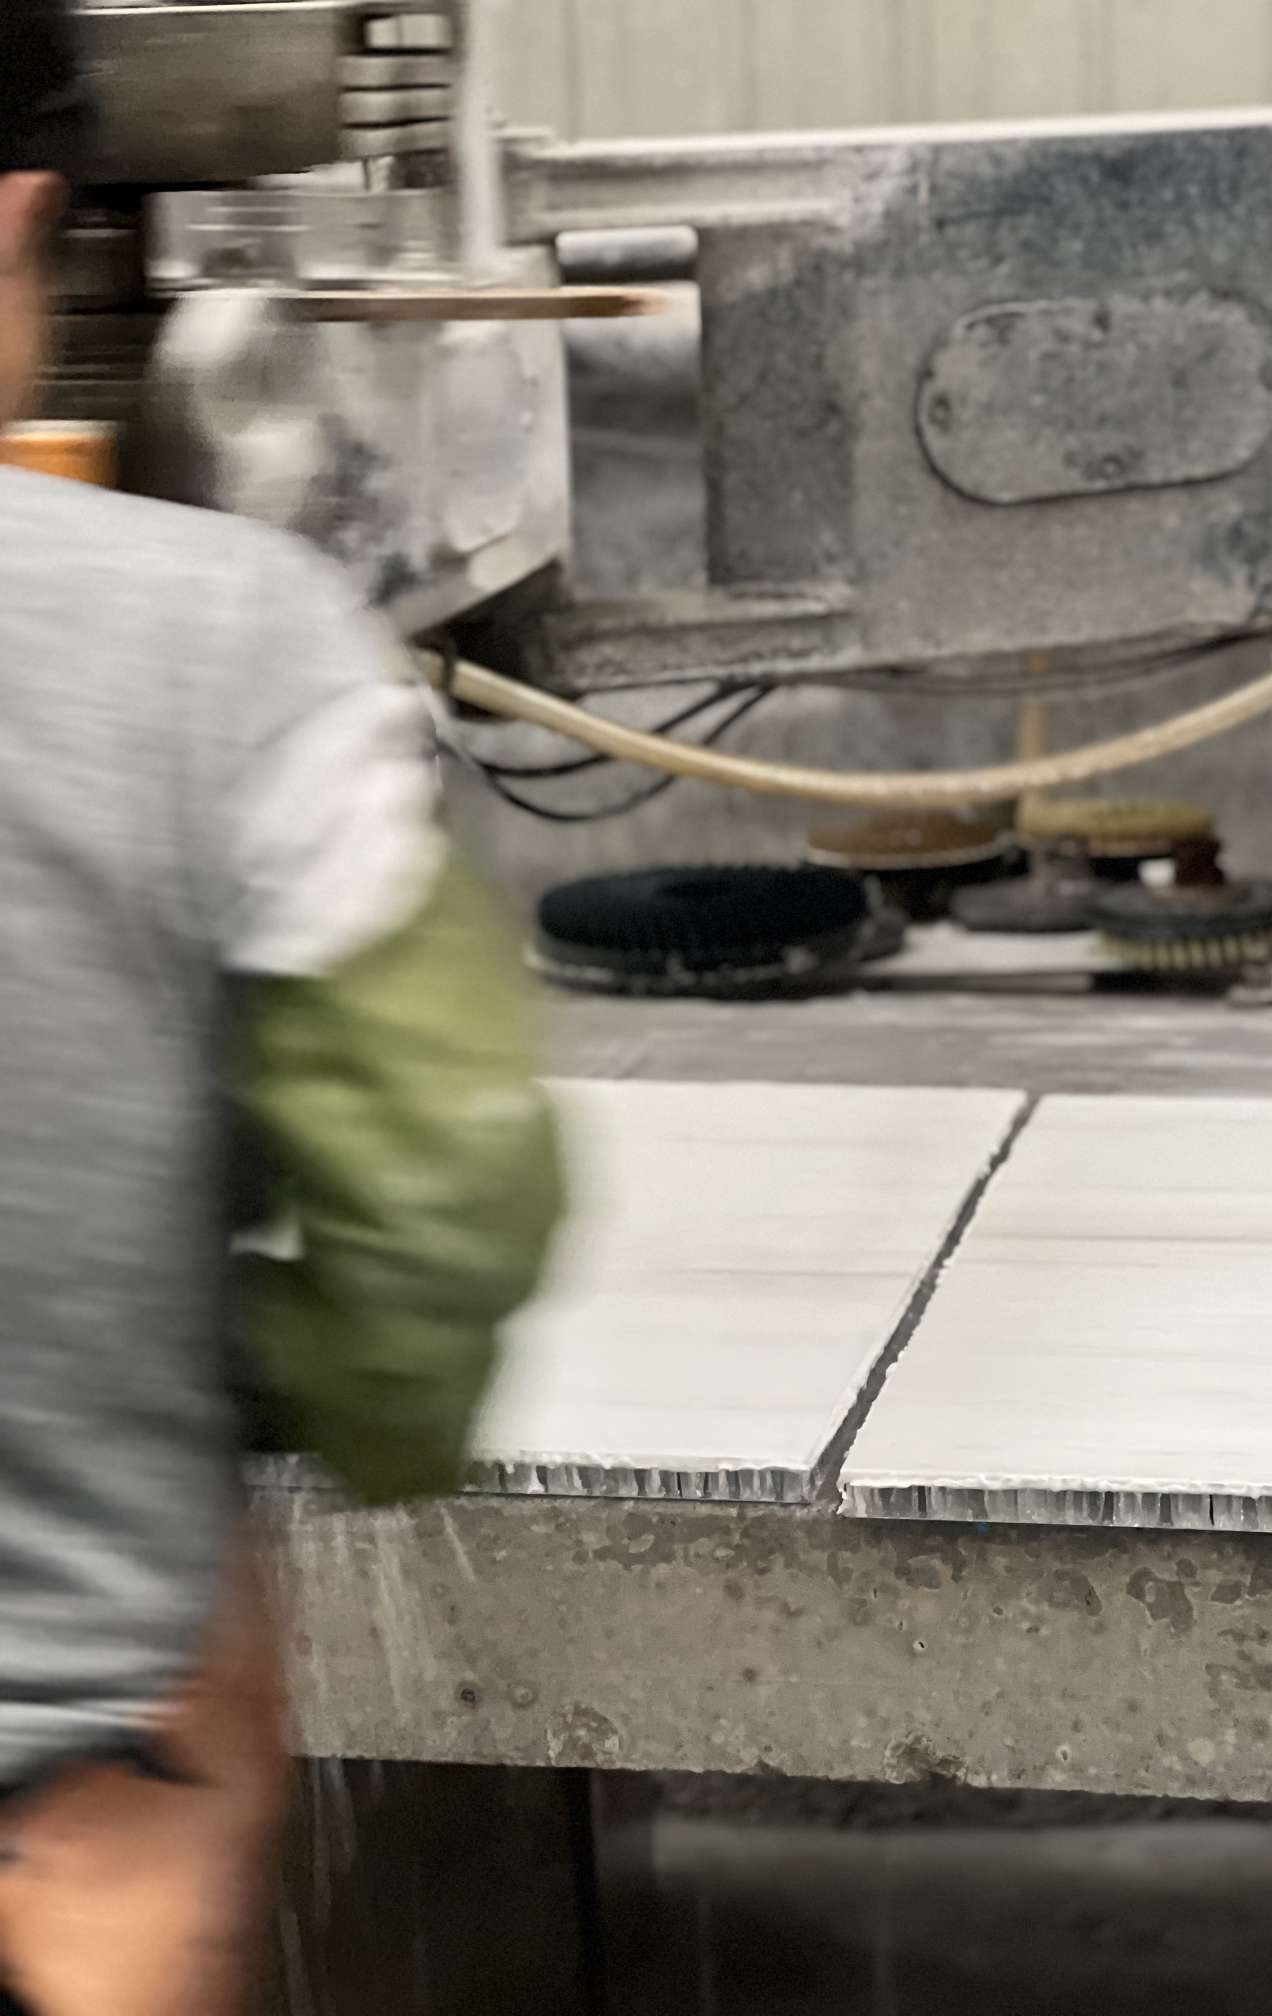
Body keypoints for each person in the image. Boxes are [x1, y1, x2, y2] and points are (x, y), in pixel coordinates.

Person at [0, 5, 564, 2011]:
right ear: (20, 213)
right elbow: (444, 1189)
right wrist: (309, 1408)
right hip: (76, 1797)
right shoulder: (221, 638)